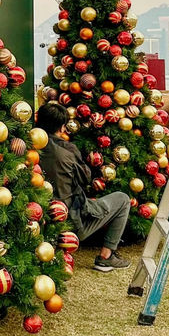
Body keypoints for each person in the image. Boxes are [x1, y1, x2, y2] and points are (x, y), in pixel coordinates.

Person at [36, 101, 131, 272]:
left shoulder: (29, 148)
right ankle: (106, 256)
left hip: (39, 221)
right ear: (63, 127)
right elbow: (85, 178)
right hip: (68, 225)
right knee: (122, 199)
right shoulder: (65, 151)